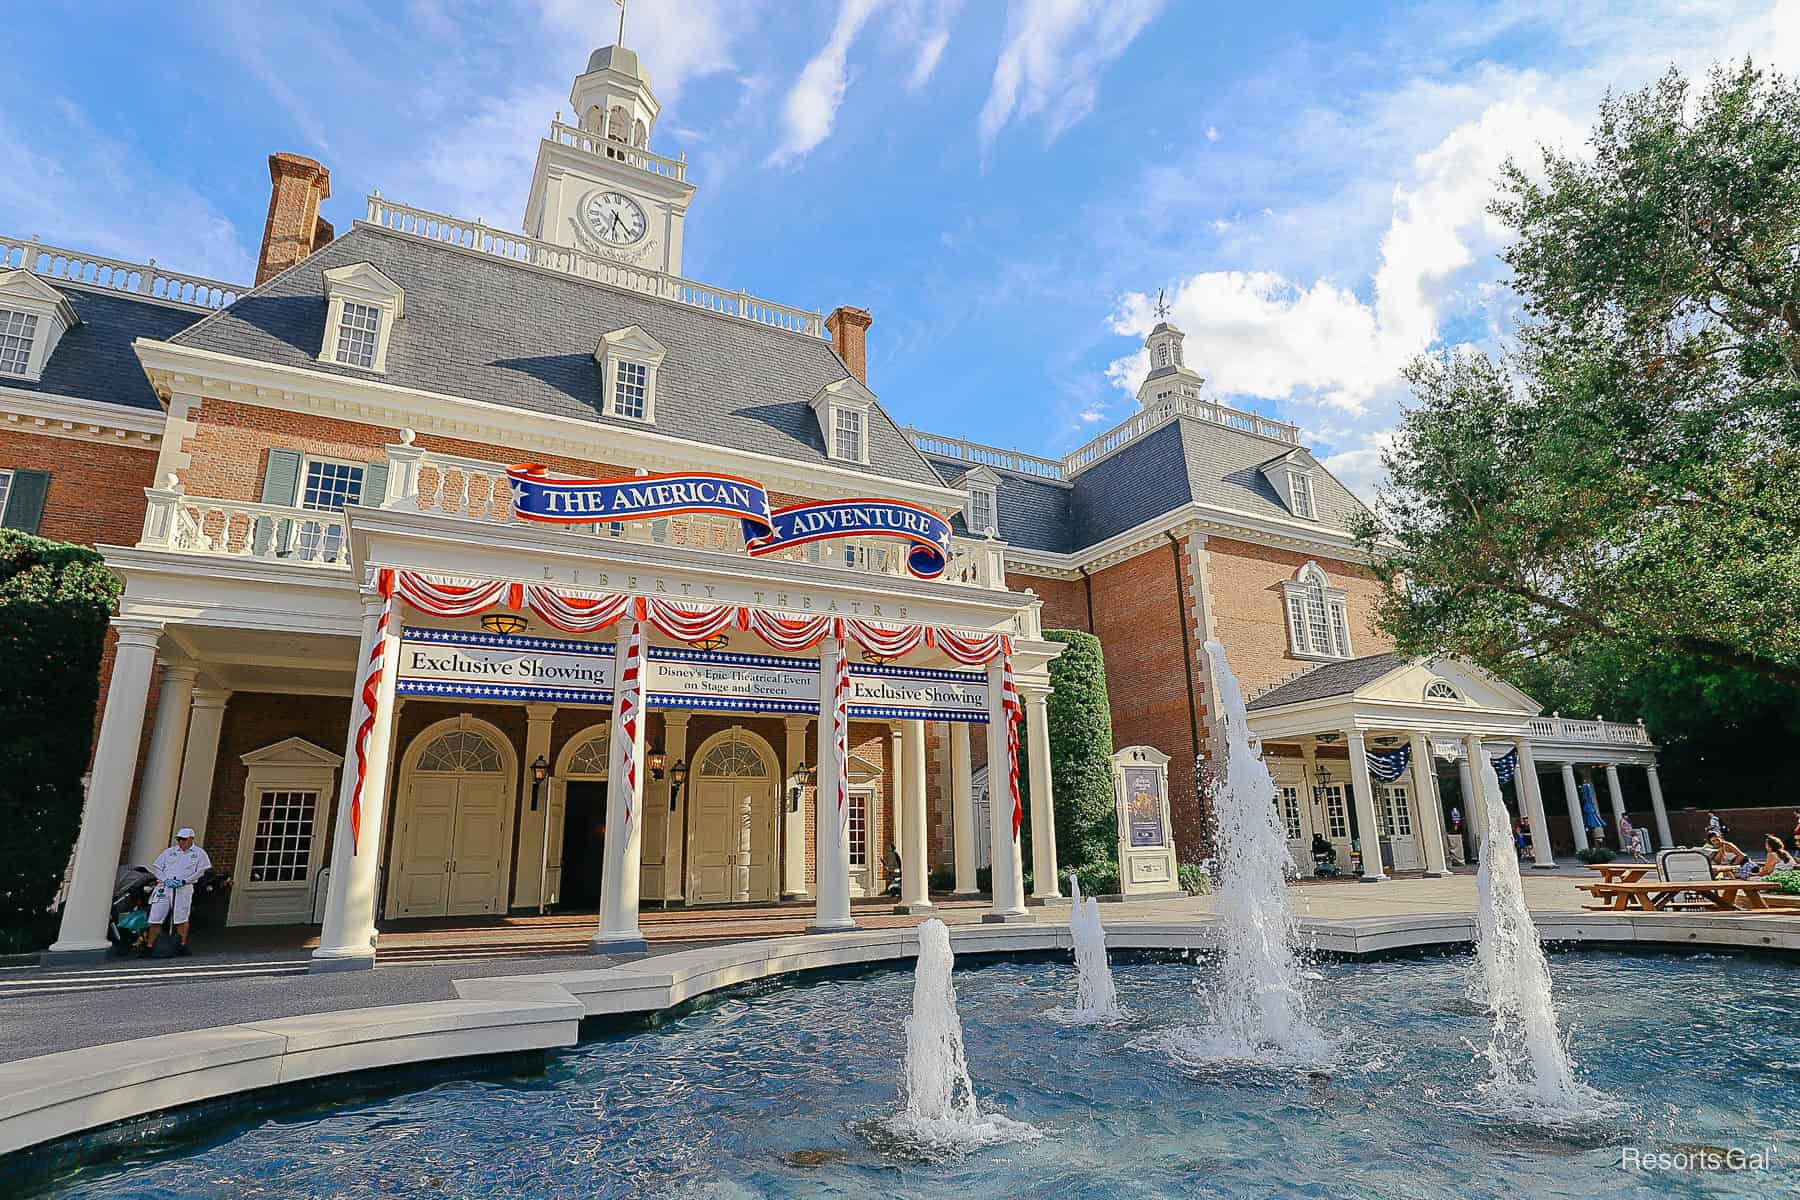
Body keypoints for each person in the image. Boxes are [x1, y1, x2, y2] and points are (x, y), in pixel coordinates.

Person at [141, 828, 212, 956]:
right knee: (156, 917)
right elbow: (157, 867)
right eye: (179, 839)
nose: (181, 842)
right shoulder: (169, 852)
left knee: (181, 918)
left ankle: (181, 945)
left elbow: (200, 871)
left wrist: (185, 881)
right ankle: (150, 946)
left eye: (183, 839)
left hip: (184, 888)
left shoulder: (199, 853)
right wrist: (165, 880)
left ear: (191, 839)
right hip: (165, 887)